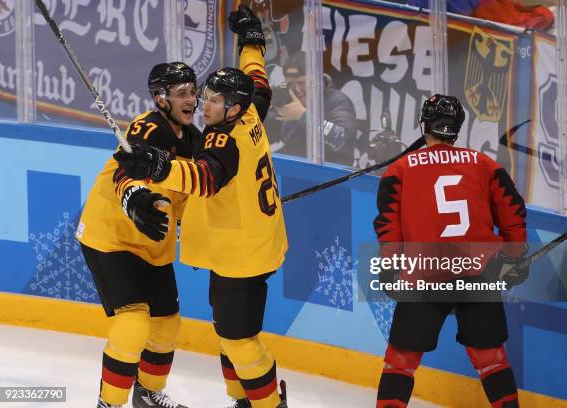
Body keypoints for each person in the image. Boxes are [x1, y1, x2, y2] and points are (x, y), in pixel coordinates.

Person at [114, 5, 288, 408]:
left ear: (232, 107)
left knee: (239, 341)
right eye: (204, 95)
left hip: (239, 255)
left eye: (214, 100)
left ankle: (267, 405)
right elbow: (258, 79)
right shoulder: (251, 109)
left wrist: (159, 165)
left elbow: (204, 178)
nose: (203, 105)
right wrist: (252, 40)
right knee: (228, 333)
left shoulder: (223, 139)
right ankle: (244, 400)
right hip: (252, 244)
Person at [373, 95, 527, 408]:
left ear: (423, 124)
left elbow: (388, 225)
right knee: (491, 359)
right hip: (478, 271)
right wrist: (513, 257)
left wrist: (390, 267)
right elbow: (513, 212)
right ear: (456, 129)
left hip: (426, 273)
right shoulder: (485, 164)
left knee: (400, 361)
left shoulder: (399, 170)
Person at [76, 62, 200, 408]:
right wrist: (134, 197)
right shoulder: (148, 129)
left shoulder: (194, 139)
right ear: (161, 99)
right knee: (132, 326)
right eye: (181, 93)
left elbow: (194, 196)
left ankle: (147, 396)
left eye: (193, 91)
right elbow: (123, 174)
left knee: (166, 326)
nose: (191, 99)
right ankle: (109, 404)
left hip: (152, 242)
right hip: (111, 236)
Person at [269, 50, 357, 166]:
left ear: (315, 80)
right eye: (291, 84)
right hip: (292, 172)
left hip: (330, 175)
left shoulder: (337, 100)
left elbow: (342, 139)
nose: (297, 90)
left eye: (301, 83)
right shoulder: (287, 101)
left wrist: (304, 116)